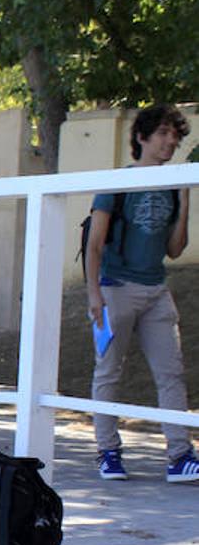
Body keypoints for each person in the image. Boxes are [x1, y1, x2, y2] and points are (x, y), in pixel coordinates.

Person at [85, 103, 197, 483]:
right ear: (142, 137)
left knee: (171, 373)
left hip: (156, 290)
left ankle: (180, 456)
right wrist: (94, 294)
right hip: (115, 289)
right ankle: (108, 452)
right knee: (109, 371)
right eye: (163, 134)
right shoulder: (117, 182)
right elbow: (95, 244)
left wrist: (183, 206)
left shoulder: (173, 182)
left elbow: (175, 249)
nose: (170, 142)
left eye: (175, 136)